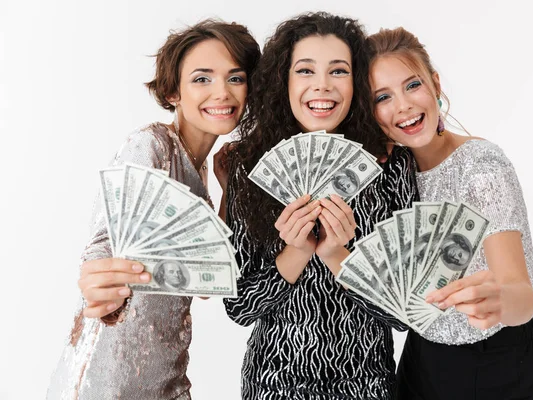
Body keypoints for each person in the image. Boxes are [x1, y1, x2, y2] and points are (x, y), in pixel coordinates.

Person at [46, 20, 260, 399]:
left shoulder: (203, 169)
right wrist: (98, 283)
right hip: (113, 374)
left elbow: (209, 279)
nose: (222, 93)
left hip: (168, 374)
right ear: (173, 91)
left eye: (235, 78)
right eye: (202, 79)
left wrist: (227, 192)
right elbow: (106, 238)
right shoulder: (152, 146)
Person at [216, 12, 417, 399]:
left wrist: (337, 255)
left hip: (367, 384)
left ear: (356, 82)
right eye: (305, 71)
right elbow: (239, 308)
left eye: (338, 71)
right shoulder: (246, 165)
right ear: (284, 80)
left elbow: (402, 313)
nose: (322, 86)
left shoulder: (392, 165)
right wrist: (295, 252)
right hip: (273, 383)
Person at [368, 26, 533, 399]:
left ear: (434, 85)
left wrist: (498, 301)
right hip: (421, 354)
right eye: (383, 96)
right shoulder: (394, 172)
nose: (403, 105)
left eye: (412, 85)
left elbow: (522, 295)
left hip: (493, 357)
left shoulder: (481, 167)